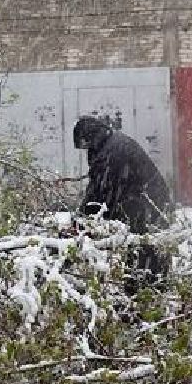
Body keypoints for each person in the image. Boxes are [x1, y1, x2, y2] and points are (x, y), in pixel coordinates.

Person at [73, 113, 174, 280]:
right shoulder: (105, 145)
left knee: (144, 246)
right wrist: (83, 217)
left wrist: (89, 220)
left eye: (85, 144)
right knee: (136, 246)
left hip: (149, 205)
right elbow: (96, 188)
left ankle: (148, 285)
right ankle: (140, 281)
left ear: (91, 137)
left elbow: (105, 194)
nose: (85, 149)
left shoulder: (115, 152)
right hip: (139, 201)